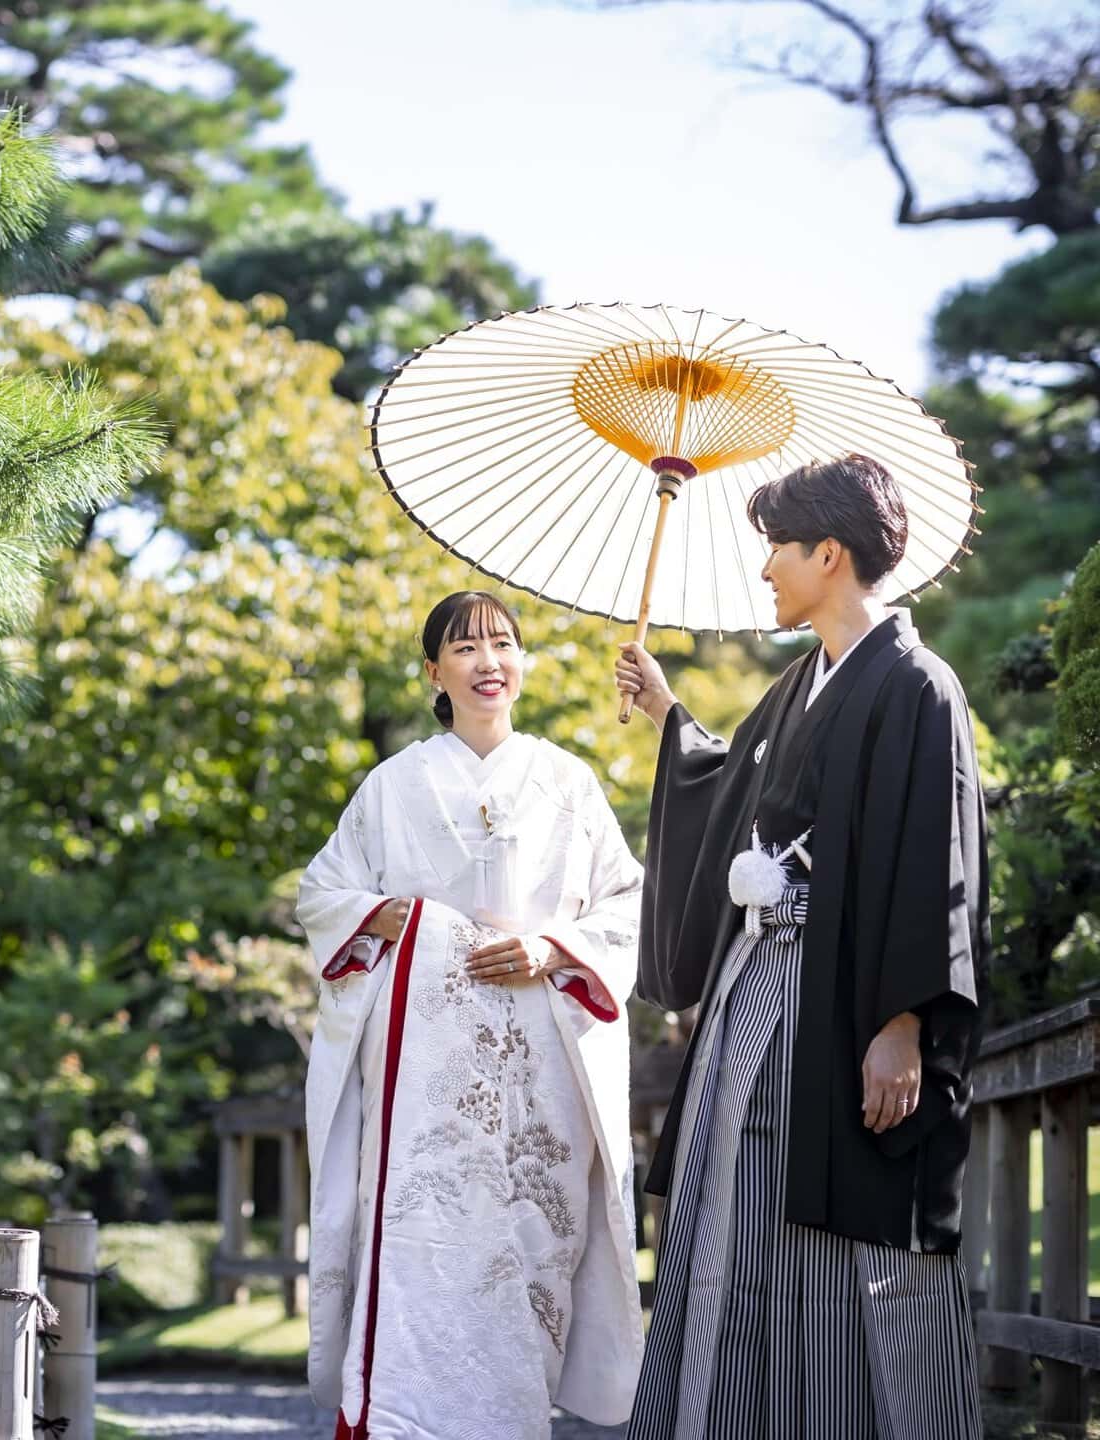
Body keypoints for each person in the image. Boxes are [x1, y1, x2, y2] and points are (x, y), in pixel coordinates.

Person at [614, 454, 987, 1440]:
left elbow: (932, 861)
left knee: (834, 1230)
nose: (765, 569)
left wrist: (905, 1021)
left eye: (776, 548)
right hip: (759, 986)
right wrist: (665, 711)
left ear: (829, 553)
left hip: (850, 995)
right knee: (739, 1203)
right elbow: (738, 790)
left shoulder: (916, 684)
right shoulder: (796, 687)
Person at [301, 590, 644, 1440]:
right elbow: (324, 894)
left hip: (540, 1073)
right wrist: (402, 921)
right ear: (433, 672)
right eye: (465, 648)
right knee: (425, 1253)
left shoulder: (569, 782)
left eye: (503, 643)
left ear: (522, 663)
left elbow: (625, 904)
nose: (489, 661)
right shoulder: (390, 788)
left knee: (531, 1257)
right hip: (427, 1083)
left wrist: (553, 950)